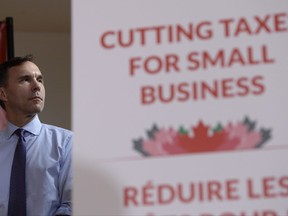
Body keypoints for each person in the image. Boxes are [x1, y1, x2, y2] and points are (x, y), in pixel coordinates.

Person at [0, 55, 72, 215]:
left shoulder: (67, 142)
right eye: (25, 80)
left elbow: (73, 204)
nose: (36, 86)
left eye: (39, 80)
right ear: (3, 94)